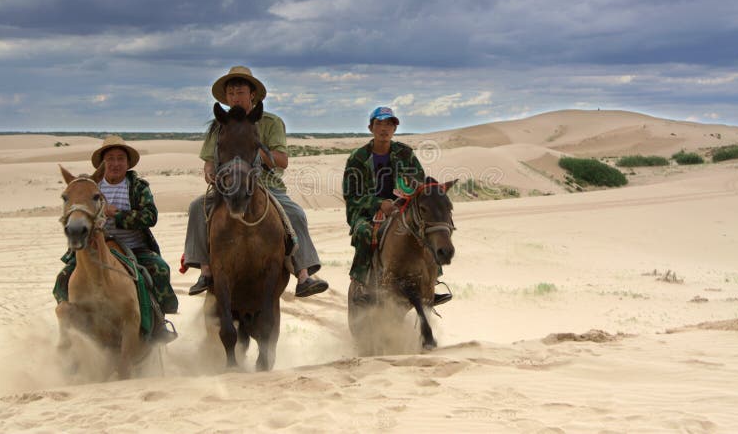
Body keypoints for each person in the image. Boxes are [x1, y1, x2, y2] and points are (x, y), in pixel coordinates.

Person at [181, 65, 328, 298]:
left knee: (296, 214)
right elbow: (209, 161)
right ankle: (205, 270)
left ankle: (303, 275)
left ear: (252, 95)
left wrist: (251, 147)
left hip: (266, 185)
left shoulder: (270, 122)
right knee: (197, 207)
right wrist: (210, 172)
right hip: (227, 186)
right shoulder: (219, 126)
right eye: (231, 93)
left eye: (240, 92)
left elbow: (282, 160)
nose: (235, 97)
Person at [53, 135, 179, 316]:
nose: (115, 163)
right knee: (63, 278)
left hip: (134, 248)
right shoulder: (91, 187)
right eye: (110, 159)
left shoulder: (137, 186)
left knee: (160, 268)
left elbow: (150, 216)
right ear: (103, 164)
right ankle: (69, 318)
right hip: (95, 248)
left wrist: (117, 215)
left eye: (120, 159)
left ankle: (159, 318)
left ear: (128, 163)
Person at [342, 106, 452, 305]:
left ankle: (432, 283)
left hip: (402, 208)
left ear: (394, 129)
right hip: (365, 211)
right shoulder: (357, 158)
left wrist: (406, 200)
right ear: (370, 127)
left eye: (389, 124)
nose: (384, 128)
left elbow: (419, 183)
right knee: (366, 233)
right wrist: (379, 203)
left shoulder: (405, 153)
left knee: (428, 229)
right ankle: (363, 283)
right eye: (379, 124)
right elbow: (352, 195)